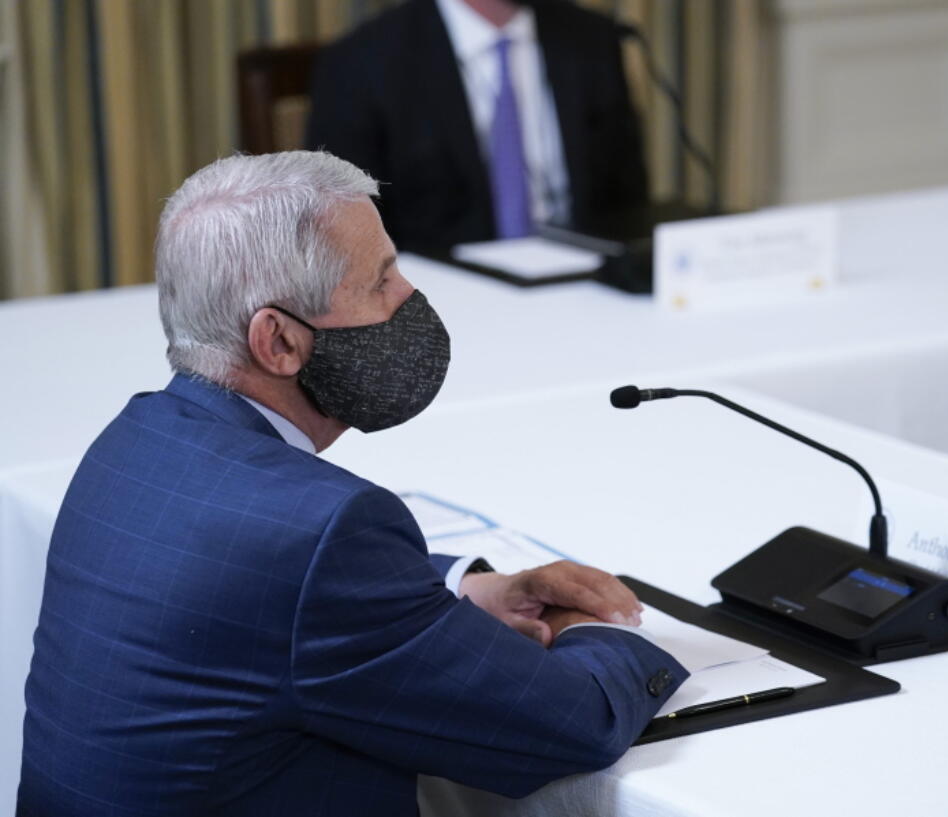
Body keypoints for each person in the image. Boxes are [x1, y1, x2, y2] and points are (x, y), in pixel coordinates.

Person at [18, 151, 685, 816]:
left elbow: (254, 578)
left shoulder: (132, 442)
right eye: (381, 280)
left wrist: (464, 588)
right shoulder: (325, 533)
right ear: (277, 341)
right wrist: (590, 628)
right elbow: (574, 722)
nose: (409, 300)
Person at [306, 0, 648, 252]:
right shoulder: (362, 62)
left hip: (584, 283)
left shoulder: (592, 40)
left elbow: (628, 199)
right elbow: (343, 233)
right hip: (443, 298)